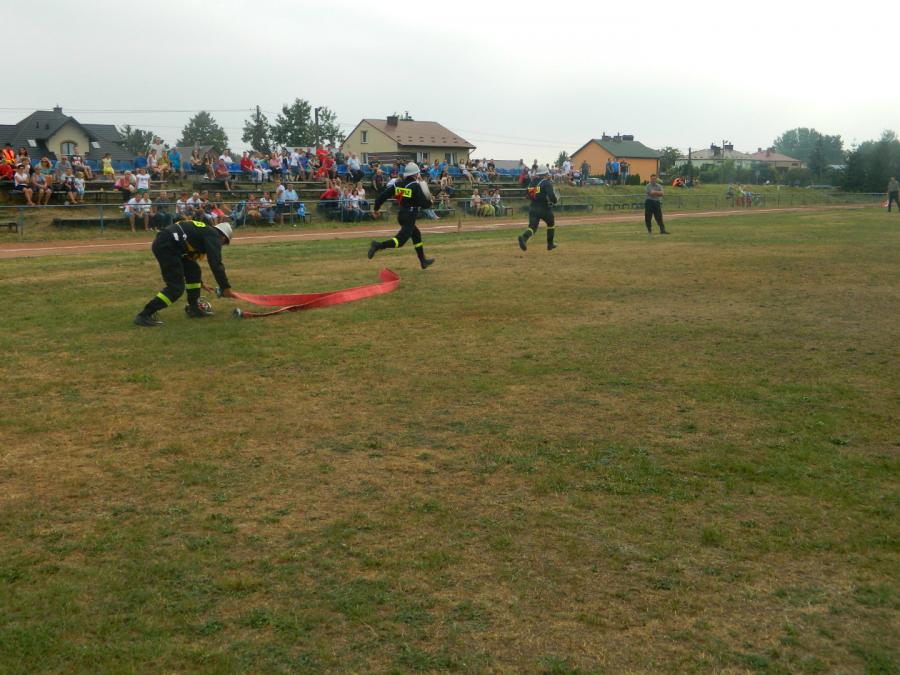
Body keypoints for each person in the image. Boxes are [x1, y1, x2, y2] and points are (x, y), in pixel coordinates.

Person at [133, 219, 235, 327]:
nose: (221, 245)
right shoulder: (214, 236)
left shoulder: (206, 231)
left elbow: (190, 256)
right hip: (168, 246)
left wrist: (199, 282)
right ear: (223, 237)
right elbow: (216, 264)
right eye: (224, 243)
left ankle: (194, 309)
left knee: (194, 271)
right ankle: (144, 315)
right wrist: (225, 287)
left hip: (170, 243)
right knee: (176, 288)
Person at [367, 162, 435, 269]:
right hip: (409, 216)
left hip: (402, 215)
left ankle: (423, 261)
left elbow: (382, 196)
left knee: (416, 235)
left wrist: (376, 209)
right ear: (416, 174)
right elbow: (424, 205)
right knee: (400, 241)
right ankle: (378, 245)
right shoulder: (415, 186)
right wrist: (431, 202)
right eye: (418, 173)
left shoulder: (398, 184)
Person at [517, 165, 558, 251]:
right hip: (544, 208)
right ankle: (550, 244)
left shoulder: (532, 182)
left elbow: (527, 195)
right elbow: (551, 195)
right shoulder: (546, 183)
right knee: (551, 223)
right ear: (545, 173)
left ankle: (524, 238)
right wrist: (554, 201)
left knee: (532, 227)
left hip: (533, 207)